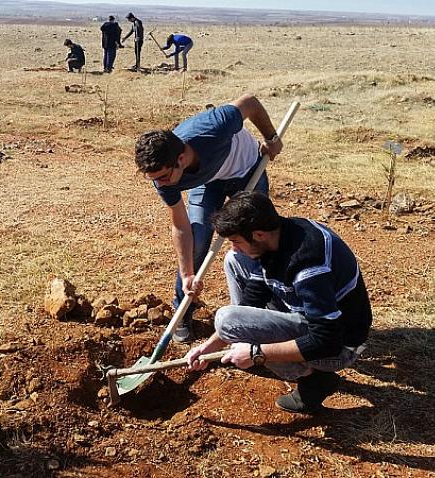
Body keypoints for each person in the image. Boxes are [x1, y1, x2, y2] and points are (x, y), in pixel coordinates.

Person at [185, 191, 373, 413]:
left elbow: (327, 341)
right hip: (305, 314)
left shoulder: (308, 264)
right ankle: (243, 344)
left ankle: (313, 379)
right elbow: (252, 301)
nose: (233, 246)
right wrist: (207, 347)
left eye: (236, 241)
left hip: (340, 346)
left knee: (227, 318)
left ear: (259, 234)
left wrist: (257, 352)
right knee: (234, 261)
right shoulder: (277, 237)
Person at [134, 94, 283, 343]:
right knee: (198, 240)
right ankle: (183, 311)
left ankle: (266, 309)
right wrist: (186, 274)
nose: (159, 185)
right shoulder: (164, 178)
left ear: (180, 159)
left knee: (257, 239)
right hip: (208, 183)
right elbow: (181, 226)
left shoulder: (214, 126)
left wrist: (271, 138)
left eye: (162, 177)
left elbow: (250, 103)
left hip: (247, 172)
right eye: (154, 179)